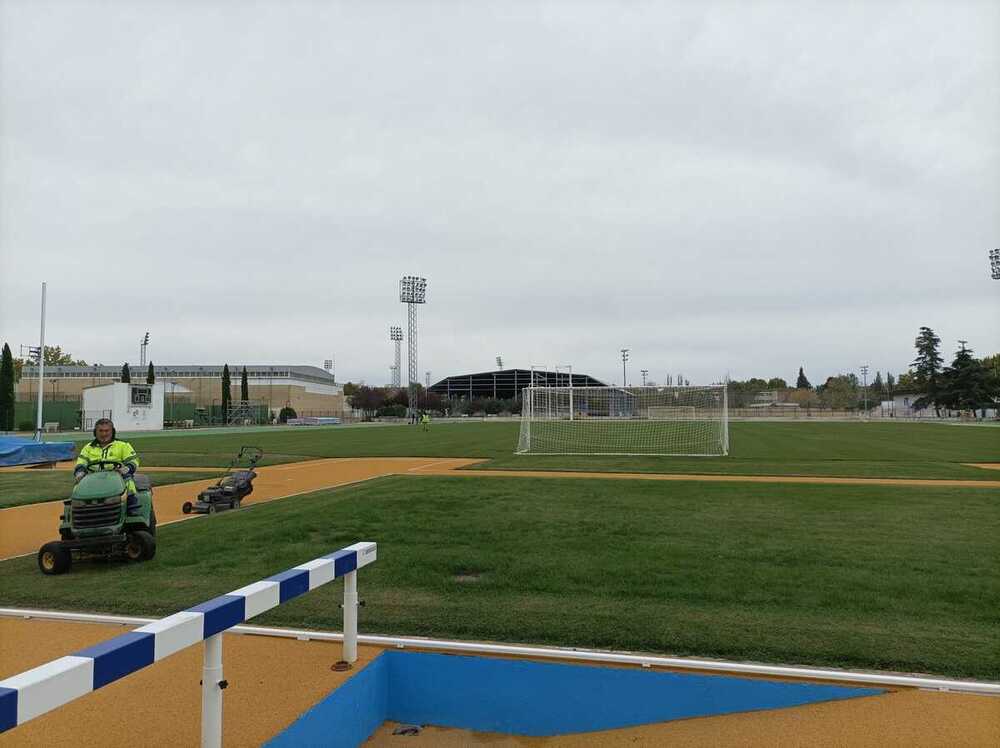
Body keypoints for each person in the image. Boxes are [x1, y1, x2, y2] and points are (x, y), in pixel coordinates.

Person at [74, 418, 141, 515]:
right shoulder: (88, 448)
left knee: (128, 480)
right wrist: (80, 472)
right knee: (77, 485)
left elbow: (133, 460)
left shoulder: (123, 446)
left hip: (117, 477)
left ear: (112, 432)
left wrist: (127, 468)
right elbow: (81, 462)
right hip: (93, 478)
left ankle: (132, 507)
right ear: (95, 432)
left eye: (106, 431)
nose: (104, 434)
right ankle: (79, 512)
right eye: (100, 431)